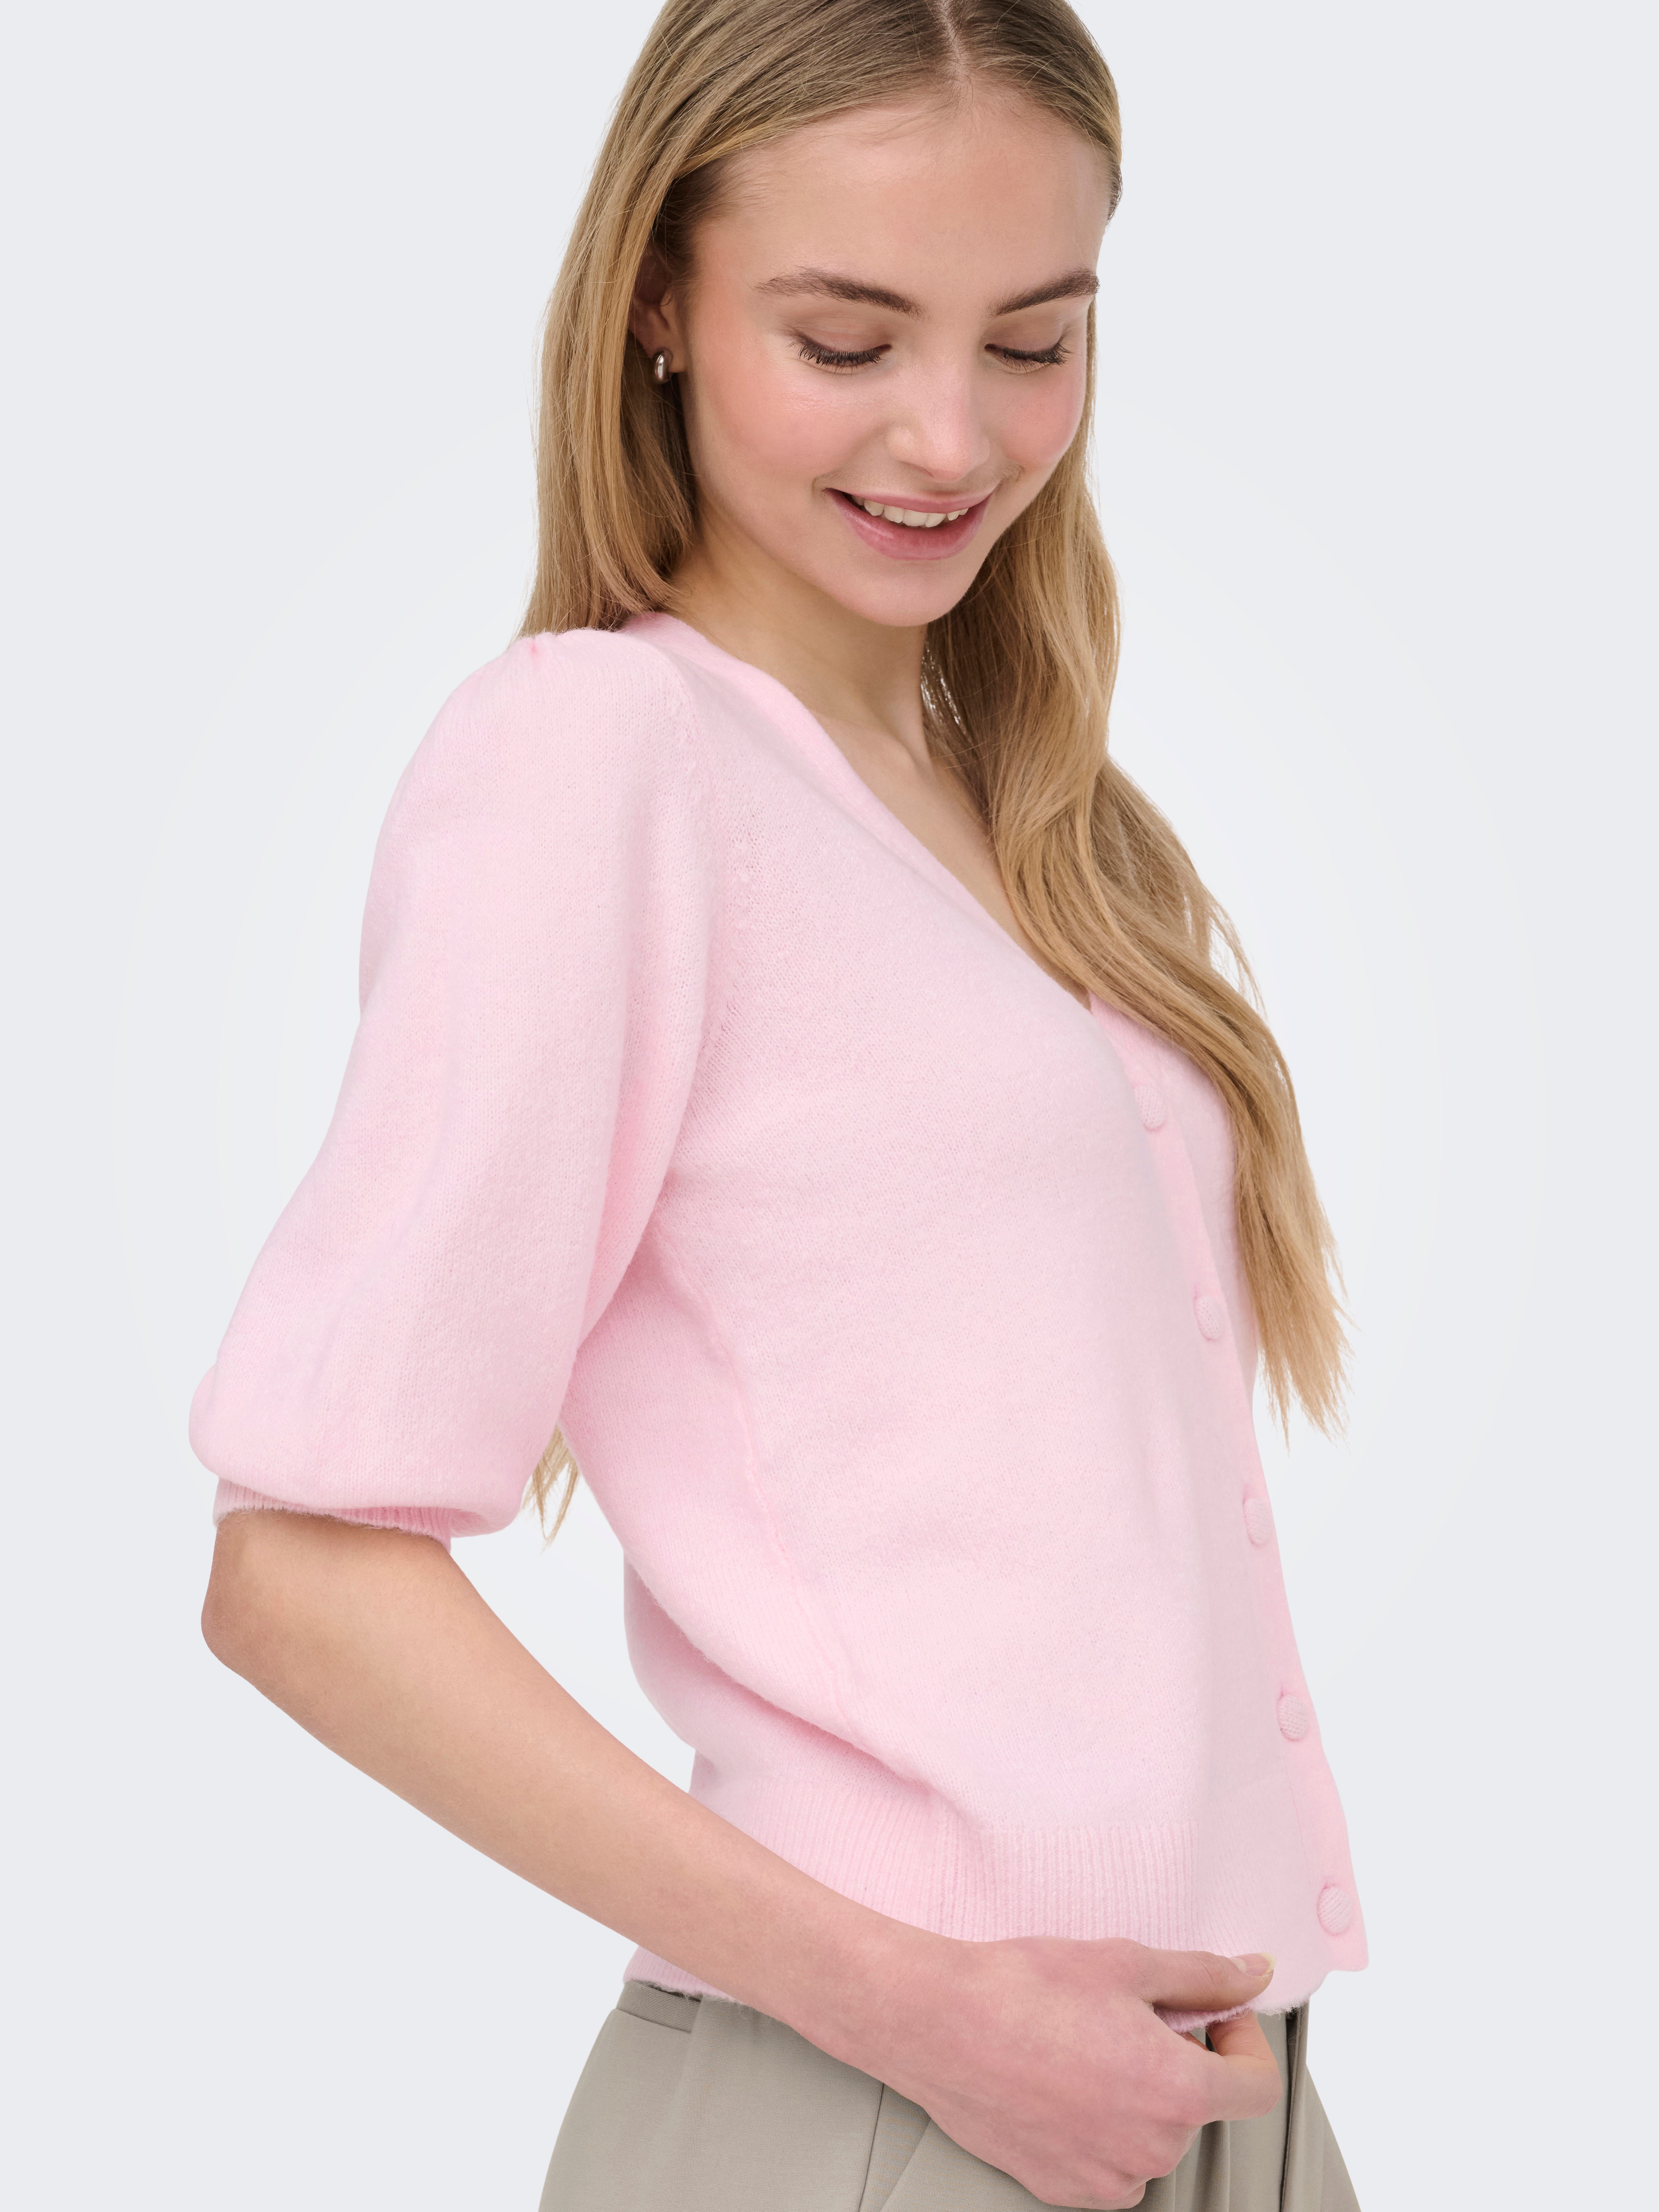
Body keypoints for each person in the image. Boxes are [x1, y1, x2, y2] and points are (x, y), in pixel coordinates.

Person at [193, 2, 1367, 2205]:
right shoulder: (597, 759)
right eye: (846, 338)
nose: (953, 433)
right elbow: (302, 1573)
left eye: (1035, 340)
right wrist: (916, 2011)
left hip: (1216, 2108)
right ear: (660, 298)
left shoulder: (1039, 824)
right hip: (882, 2110)